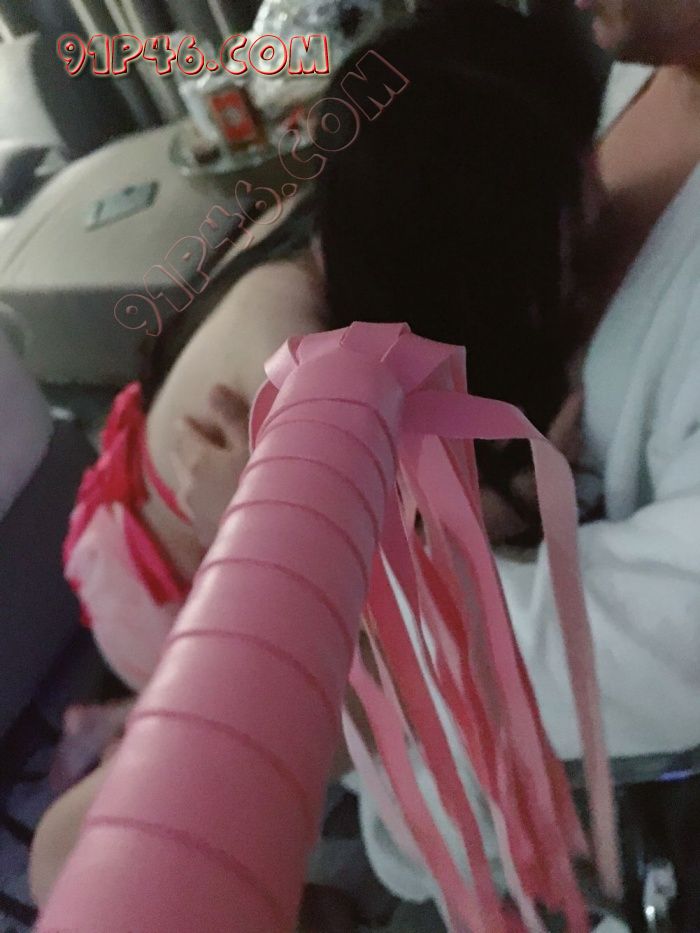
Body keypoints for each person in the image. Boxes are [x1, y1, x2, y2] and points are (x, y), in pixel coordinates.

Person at [29, 0, 602, 917]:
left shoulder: (329, 222)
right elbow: (406, 559)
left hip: (134, 514)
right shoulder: (301, 368)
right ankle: (146, 734)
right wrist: (533, 478)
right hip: (162, 588)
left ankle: (132, 721)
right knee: (327, 707)